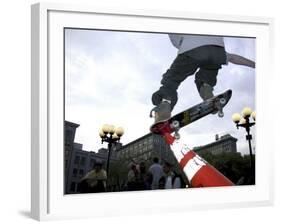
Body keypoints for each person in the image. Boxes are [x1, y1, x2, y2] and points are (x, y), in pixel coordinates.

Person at [150, 34, 255, 123]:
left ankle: (165, 103)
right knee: (207, 74)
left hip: (191, 48)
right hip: (217, 49)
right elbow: (233, 57)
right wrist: (254, 64)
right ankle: (206, 88)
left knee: (171, 81)